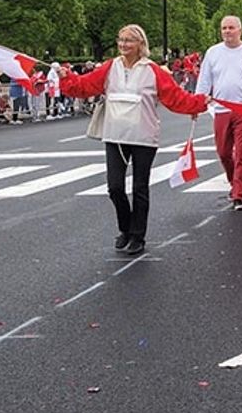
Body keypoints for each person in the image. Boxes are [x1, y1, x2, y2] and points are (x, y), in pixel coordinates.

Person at [60, 25, 209, 254]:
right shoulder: (110, 67)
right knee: (115, 187)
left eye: (129, 40)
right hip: (115, 135)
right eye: (121, 39)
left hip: (143, 136)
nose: (123, 44)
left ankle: (138, 236)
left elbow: (174, 97)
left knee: (140, 188)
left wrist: (198, 102)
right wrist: (67, 77)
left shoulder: (153, 71)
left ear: (141, 43)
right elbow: (84, 86)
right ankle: (126, 228)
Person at [196, 16, 242, 211]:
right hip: (221, 109)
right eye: (224, 28)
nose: (227, 31)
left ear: (240, 30)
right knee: (223, 153)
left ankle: (239, 195)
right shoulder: (213, 53)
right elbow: (204, 81)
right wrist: (197, 103)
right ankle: (233, 182)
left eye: (231, 28)